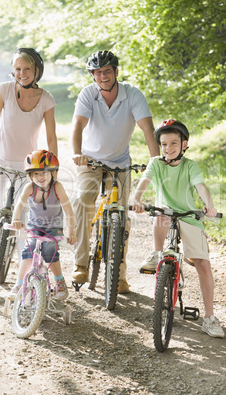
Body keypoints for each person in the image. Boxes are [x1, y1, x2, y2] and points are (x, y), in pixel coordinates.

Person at [71, 50, 159, 293]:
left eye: (107, 71)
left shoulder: (132, 94)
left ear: (116, 72)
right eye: (97, 73)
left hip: (120, 163)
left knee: (121, 215)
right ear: (93, 76)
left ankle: (119, 276)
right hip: (90, 161)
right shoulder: (88, 94)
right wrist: (77, 153)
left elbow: (147, 130)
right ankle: (80, 263)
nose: (102, 76)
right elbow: (77, 125)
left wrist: (156, 163)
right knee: (84, 200)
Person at [132, 118, 224, 338]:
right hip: (165, 214)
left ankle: (209, 318)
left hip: (190, 217)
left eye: (174, 143)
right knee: (162, 212)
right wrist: (137, 199)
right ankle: (157, 253)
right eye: (164, 144)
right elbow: (144, 182)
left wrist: (209, 206)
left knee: (202, 263)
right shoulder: (156, 163)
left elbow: (200, 187)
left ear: (184, 144)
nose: (168, 148)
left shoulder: (190, 165)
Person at [0, 47, 58, 276]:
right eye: (17, 69)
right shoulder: (5, 90)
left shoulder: (46, 99)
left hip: (27, 166)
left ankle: (25, 268)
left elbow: (50, 137)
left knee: (25, 217)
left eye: (27, 68)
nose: (22, 73)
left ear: (37, 70)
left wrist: (52, 168)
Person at [8, 150, 77, 300]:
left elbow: (68, 210)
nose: (40, 177)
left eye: (44, 173)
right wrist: (16, 220)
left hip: (54, 228)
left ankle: (59, 281)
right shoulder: (30, 188)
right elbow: (19, 205)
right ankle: (19, 284)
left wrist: (71, 232)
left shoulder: (57, 187)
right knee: (29, 249)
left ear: (53, 173)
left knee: (49, 249)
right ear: (30, 176)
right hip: (35, 227)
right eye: (36, 174)